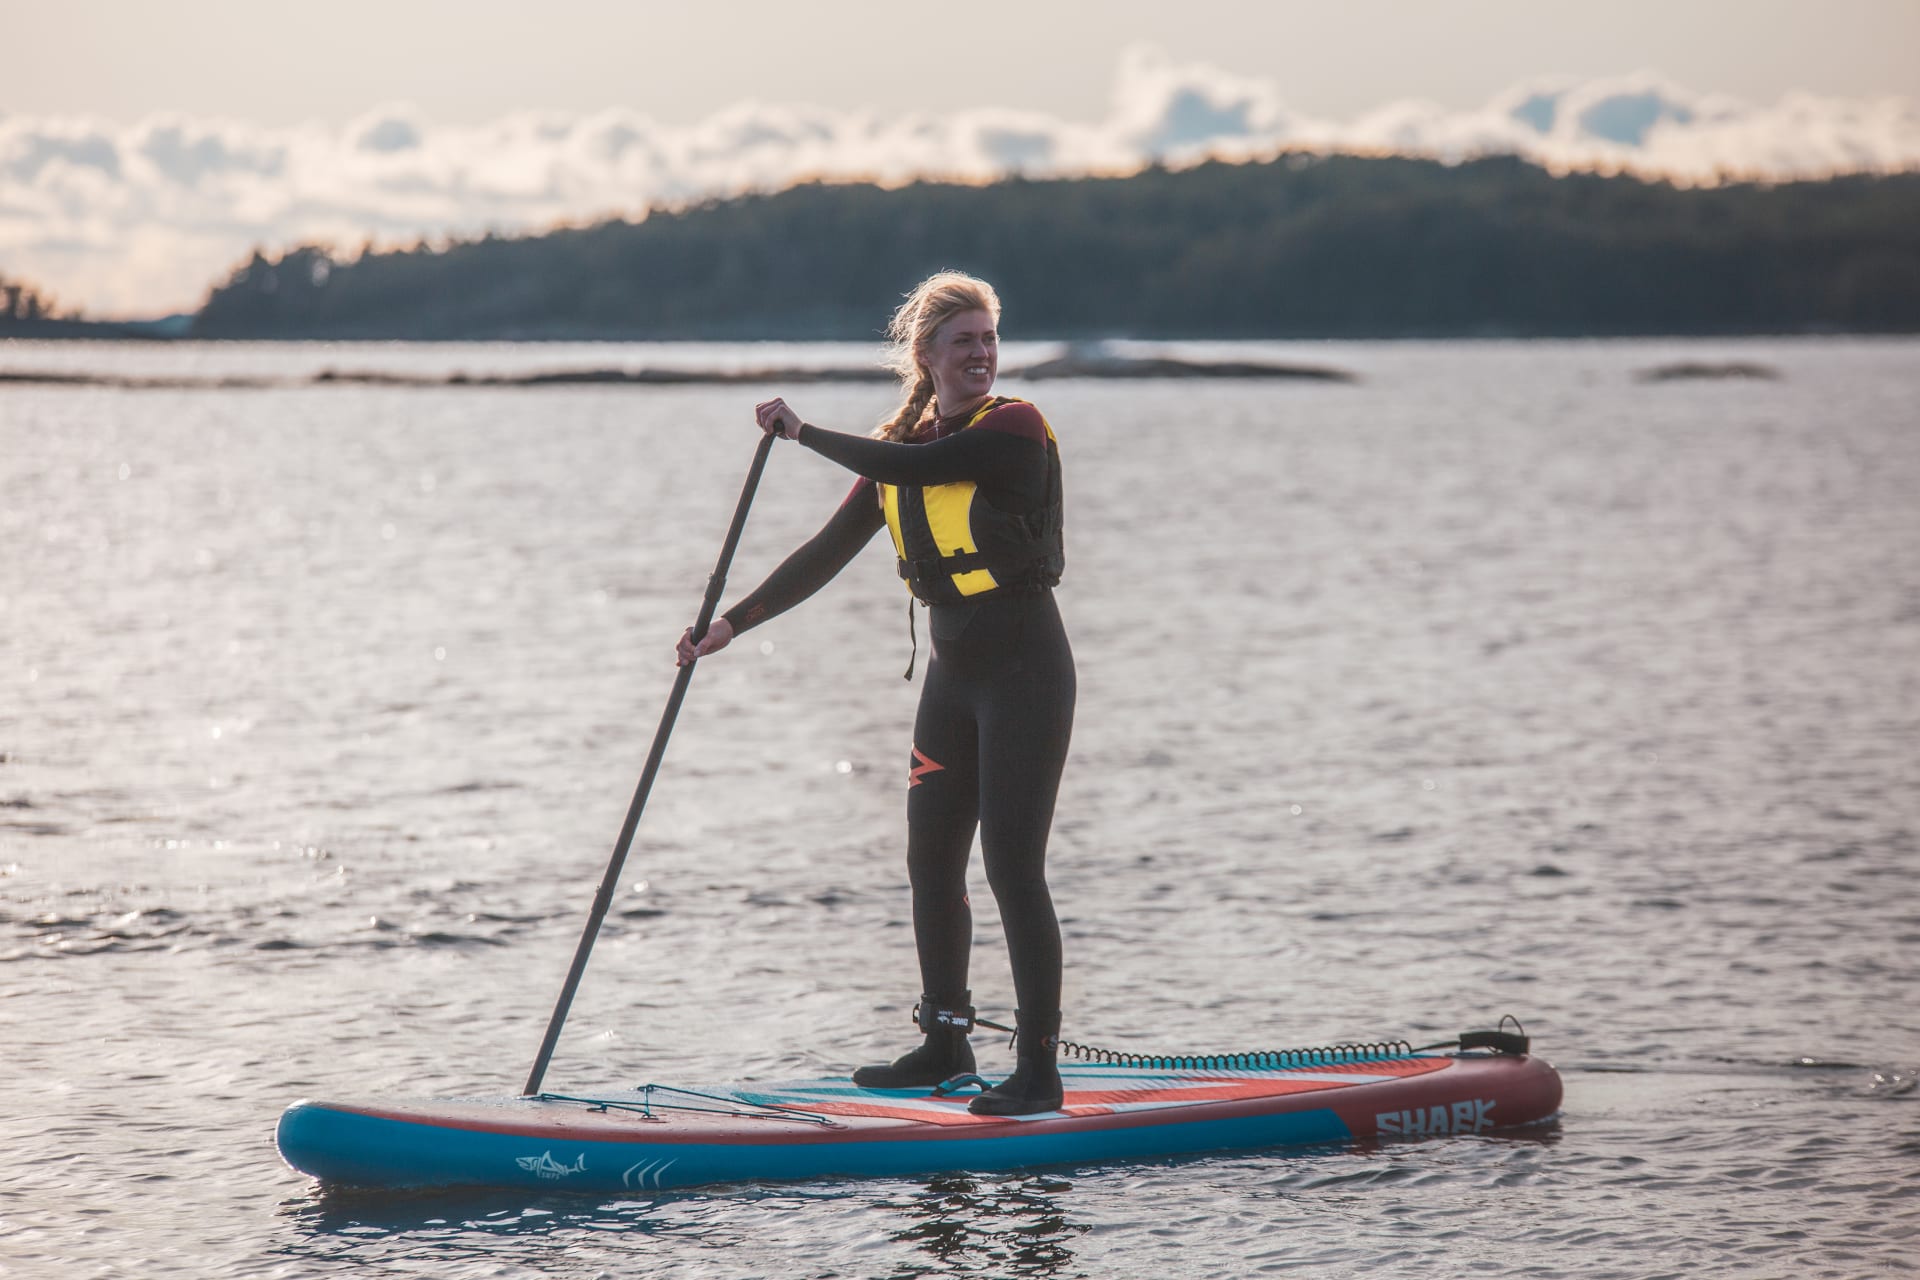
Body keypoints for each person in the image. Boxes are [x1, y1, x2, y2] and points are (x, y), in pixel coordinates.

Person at [675, 271, 1074, 1116]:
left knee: (1011, 868)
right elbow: (825, 551)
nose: (982, 354)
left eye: (990, 339)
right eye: (963, 341)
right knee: (930, 860)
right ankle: (944, 1039)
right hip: (953, 680)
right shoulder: (908, 443)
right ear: (926, 355)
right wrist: (730, 626)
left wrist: (805, 431)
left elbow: (915, 462)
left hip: (1026, 676)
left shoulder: (1013, 428)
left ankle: (1038, 1071)